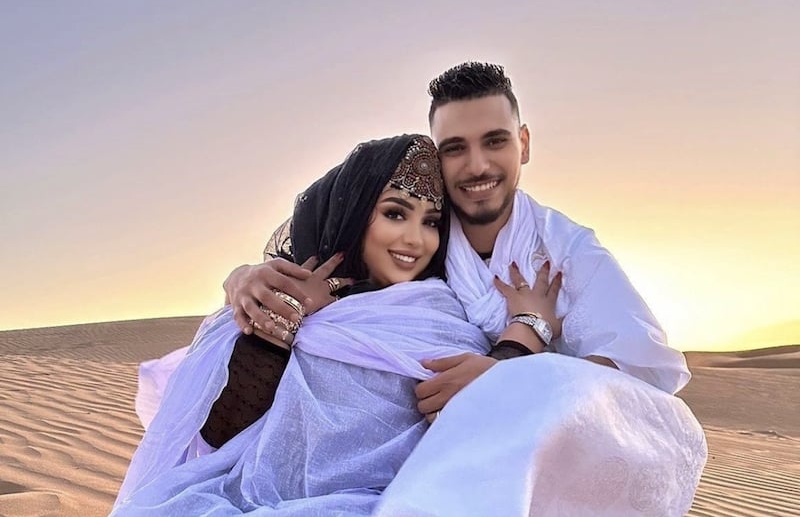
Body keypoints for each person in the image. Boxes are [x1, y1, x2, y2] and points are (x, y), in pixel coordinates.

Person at [222, 62, 707, 515]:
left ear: (524, 144)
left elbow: (637, 377)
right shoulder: (423, 233)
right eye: (455, 148)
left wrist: (507, 379)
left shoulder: (567, 252)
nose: (477, 166)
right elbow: (336, 248)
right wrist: (245, 277)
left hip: (525, 477)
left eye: (495, 141)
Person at [114, 134, 528, 514]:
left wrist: (526, 331)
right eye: (395, 213)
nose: (416, 240)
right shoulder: (270, 296)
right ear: (354, 213)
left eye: (431, 221)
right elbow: (220, 437)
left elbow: (499, 424)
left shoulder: (448, 312)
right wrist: (281, 319)